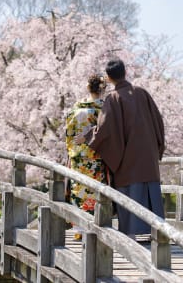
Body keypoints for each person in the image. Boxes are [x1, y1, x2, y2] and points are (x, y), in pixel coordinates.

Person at [80, 58, 165, 239]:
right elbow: (158, 121)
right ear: (125, 72)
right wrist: (157, 147)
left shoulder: (113, 98)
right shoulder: (143, 93)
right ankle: (157, 233)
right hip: (148, 156)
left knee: (129, 193)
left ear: (109, 78)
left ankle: (131, 234)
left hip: (128, 158)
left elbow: (105, 129)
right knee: (151, 194)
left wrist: (89, 136)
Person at [65, 74, 109, 240]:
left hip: (78, 158)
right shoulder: (103, 110)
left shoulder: (75, 111)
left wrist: (74, 151)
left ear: (88, 88)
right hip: (96, 158)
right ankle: (94, 228)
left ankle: (79, 229)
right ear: (103, 89)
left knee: (79, 191)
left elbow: (69, 136)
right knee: (96, 192)